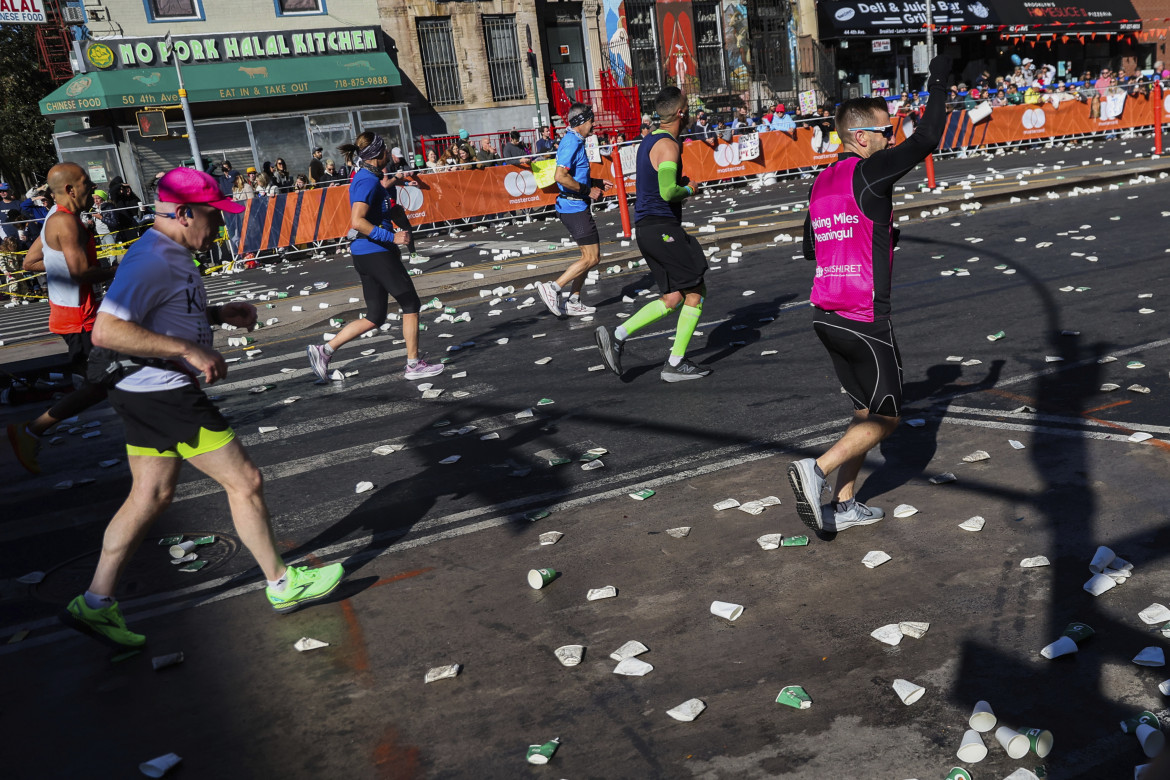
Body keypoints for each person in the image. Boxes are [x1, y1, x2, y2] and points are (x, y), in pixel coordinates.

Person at [57, 167, 345, 649]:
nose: (220, 228)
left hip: (147, 391)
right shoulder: (150, 259)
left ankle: (95, 603)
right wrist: (189, 351)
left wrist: (217, 316)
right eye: (215, 217)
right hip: (164, 391)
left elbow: (166, 311)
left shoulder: (172, 253)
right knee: (245, 481)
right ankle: (281, 583)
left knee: (149, 497)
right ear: (184, 213)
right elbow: (106, 331)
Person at [786, 54, 951, 535]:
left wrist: (879, 236)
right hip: (864, 317)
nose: (891, 140)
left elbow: (812, 246)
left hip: (825, 314)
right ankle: (814, 471)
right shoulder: (871, 171)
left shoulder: (821, 181)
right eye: (886, 132)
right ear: (862, 137)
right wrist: (937, 80)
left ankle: (843, 503)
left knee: (864, 413)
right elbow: (927, 139)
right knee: (888, 420)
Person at [593, 86, 710, 383]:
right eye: (688, 107)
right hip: (662, 229)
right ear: (680, 113)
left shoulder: (648, 141)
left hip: (647, 229)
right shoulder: (670, 145)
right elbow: (668, 190)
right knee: (696, 291)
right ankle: (676, 363)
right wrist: (690, 189)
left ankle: (618, 336)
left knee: (673, 298)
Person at [306, 132, 443, 383]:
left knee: (376, 315)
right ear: (378, 154)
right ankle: (413, 365)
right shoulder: (367, 181)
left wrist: (393, 211)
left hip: (367, 253)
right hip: (375, 251)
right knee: (411, 304)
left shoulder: (370, 178)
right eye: (386, 151)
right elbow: (357, 221)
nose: (389, 155)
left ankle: (324, 351)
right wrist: (392, 238)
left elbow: (374, 211)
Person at [7, 163, 116, 474]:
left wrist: (63, 267)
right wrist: (122, 268)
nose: (91, 189)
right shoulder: (66, 224)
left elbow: (30, 262)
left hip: (74, 316)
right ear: (70, 189)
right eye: (85, 184)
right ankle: (29, 431)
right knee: (109, 379)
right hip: (79, 319)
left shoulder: (53, 220)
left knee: (101, 383)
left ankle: (30, 432)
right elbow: (81, 272)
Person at [535, 103, 611, 318]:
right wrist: (588, 190)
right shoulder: (571, 142)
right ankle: (553, 288)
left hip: (575, 204)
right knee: (593, 257)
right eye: (590, 121)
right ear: (581, 122)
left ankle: (574, 300)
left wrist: (594, 181)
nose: (593, 125)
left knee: (587, 256)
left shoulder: (576, 140)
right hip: (573, 206)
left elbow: (575, 172)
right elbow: (560, 176)